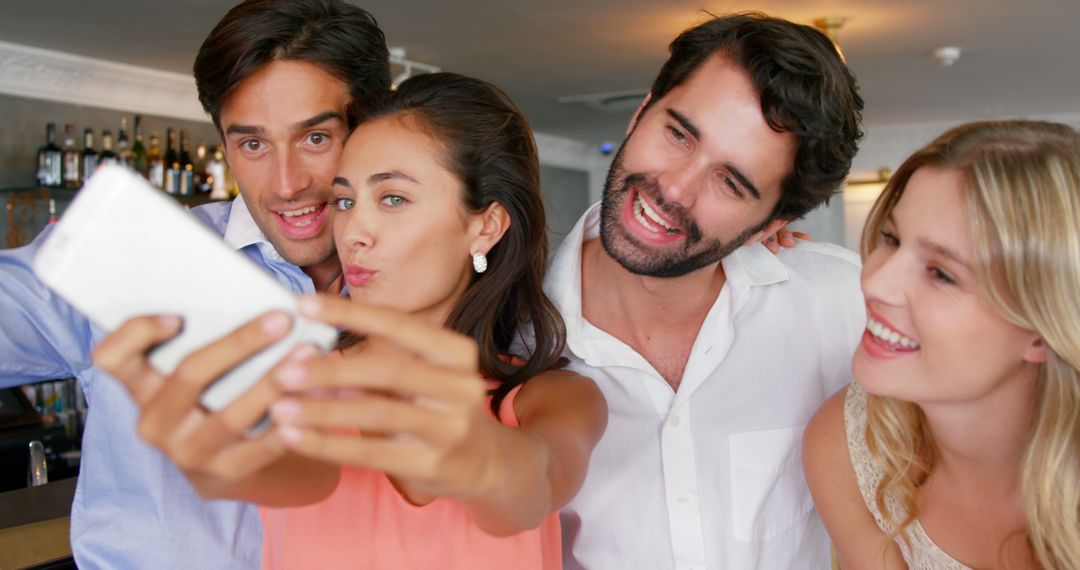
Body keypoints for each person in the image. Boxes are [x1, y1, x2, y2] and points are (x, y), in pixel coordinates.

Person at [93, 72, 607, 569]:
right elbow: (292, 479)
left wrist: (482, 458)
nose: (353, 230)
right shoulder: (294, 380)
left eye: (393, 199)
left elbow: (531, 489)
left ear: (486, 225)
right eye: (345, 200)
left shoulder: (556, 398)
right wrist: (205, 447)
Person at [0, 0, 389, 566]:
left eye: (315, 139)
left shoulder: (430, 279)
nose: (286, 184)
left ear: (370, 128)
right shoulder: (130, 261)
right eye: (252, 144)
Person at [547, 12, 867, 569]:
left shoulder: (839, 302)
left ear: (772, 222)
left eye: (731, 182)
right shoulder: (505, 323)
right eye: (678, 134)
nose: (673, 188)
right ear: (643, 109)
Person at [803, 120, 1080, 569]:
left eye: (941, 273)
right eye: (892, 239)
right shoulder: (848, 444)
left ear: (1042, 331)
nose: (876, 282)